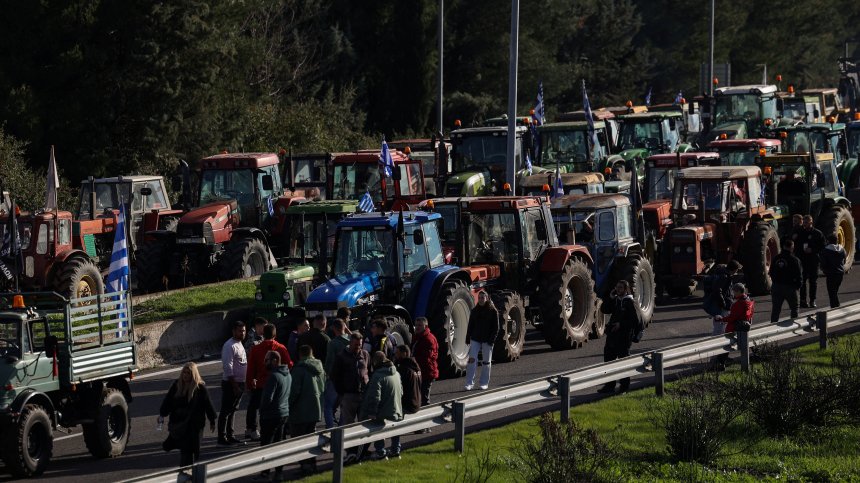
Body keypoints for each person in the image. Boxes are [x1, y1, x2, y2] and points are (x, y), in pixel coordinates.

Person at [159, 362, 216, 467]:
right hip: (180, 423)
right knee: (183, 449)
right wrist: (162, 414)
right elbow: (168, 401)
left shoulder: (200, 388)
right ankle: (186, 472)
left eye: (188, 373)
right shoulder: (177, 385)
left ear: (193, 374)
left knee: (190, 451)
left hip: (194, 426)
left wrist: (212, 421)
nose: (185, 375)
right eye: (184, 372)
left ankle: (187, 473)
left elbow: (208, 405)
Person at [245, 323, 292, 441]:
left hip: (261, 385)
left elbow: (250, 369)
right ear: (275, 334)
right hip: (279, 385)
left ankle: (254, 429)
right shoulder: (281, 348)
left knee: (258, 409)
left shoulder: (256, 349)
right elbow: (289, 364)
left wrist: (250, 384)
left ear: (262, 334)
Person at [331, 332, 370, 464]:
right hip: (348, 395)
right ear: (350, 343)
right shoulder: (341, 357)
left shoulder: (364, 354)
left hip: (362, 395)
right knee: (348, 425)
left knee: (364, 423)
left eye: (359, 345)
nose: (357, 347)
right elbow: (334, 376)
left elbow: (368, 370)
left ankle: (362, 452)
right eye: (355, 345)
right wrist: (341, 393)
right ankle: (351, 452)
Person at [597, 281, 641, 394]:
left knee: (623, 362)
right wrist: (611, 298)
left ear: (626, 289)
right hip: (612, 336)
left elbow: (636, 321)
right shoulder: (616, 300)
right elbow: (604, 310)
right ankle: (609, 386)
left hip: (624, 337)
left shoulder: (630, 302)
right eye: (617, 287)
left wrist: (621, 324)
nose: (618, 289)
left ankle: (624, 387)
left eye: (620, 287)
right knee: (608, 360)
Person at [360, 351, 404, 461]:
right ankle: (396, 449)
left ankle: (380, 451)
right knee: (395, 427)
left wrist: (372, 412)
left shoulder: (377, 376)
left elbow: (375, 396)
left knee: (377, 425)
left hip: (383, 412)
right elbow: (401, 392)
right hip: (397, 409)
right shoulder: (396, 374)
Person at [289, 345, 326, 474]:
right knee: (312, 438)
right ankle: (312, 463)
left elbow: (294, 392)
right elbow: (323, 387)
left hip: (300, 411)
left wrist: (288, 405)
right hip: (315, 409)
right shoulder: (319, 368)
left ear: (300, 355)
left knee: (298, 439)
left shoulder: (298, 370)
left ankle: (304, 465)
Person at [258, 351, 291, 480]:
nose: (265, 362)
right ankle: (279, 472)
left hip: (271, 415)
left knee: (266, 444)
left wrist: (262, 411)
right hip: (283, 413)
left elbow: (267, 398)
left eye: (267, 360)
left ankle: (265, 472)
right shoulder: (287, 374)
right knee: (279, 443)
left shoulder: (273, 376)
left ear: (275, 360)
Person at [218, 320, 247, 445]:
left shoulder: (240, 344)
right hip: (231, 384)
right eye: (240, 331)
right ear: (234, 331)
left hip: (240, 383)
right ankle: (222, 437)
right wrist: (234, 385)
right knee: (226, 411)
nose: (243, 333)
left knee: (233, 410)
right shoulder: (229, 346)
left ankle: (230, 435)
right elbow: (228, 367)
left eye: (244, 331)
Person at [714, 283, 755, 370]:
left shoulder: (739, 304)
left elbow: (732, 317)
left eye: (734, 291)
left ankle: (720, 364)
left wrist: (721, 319)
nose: (733, 293)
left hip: (735, 327)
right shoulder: (748, 300)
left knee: (727, 345)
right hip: (745, 326)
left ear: (739, 291)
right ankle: (757, 354)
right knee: (746, 341)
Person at [465, 291, 499, 391]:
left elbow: (496, 328)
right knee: (472, 360)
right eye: (479, 298)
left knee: (486, 362)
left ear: (487, 298)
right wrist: (468, 337)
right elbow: (470, 325)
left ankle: (484, 383)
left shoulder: (493, 311)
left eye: (482, 298)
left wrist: (491, 340)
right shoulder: (474, 310)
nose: (480, 299)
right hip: (475, 338)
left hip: (487, 340)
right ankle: (469, 383)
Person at [394, 346, 422, 454]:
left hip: (407, 403)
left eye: (397, 353)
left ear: (404, 353)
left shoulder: (404, 369)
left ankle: (395, 448)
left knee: (393, 419)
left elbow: (399, 389)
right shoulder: (417, 367)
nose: (396, 355)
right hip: (417, 401)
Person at [324, 318, 350, 428]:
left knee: (328, 405)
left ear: (334, 328)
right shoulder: (350, 342)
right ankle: (341, 427)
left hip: (335, 378)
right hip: (348, 378)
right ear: (344, 327)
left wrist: (327, 375)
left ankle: (330, 429)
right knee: (344, 405)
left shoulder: (332, 343)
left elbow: (329, 361)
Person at [702, 261, 742, 333]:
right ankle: (717, 342)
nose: (737, 271)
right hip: (722, 307)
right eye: (737, 269)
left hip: (721, 305)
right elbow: (717, 290)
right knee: (720, 329)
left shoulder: (723, 274)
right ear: (734, 269)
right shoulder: (724, 276)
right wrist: (723, 303)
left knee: (721, 326)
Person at [795, 215, 825, 308]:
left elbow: (823, 246)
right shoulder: (800, 233)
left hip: (813, 260)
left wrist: (813, 250)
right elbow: (795, 245)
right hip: (803, 260)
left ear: (811, 223)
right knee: (802, 281)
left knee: (813, 281)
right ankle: (803, 300)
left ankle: (812, 300)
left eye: (806, 222)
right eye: (804, 222)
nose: (804, 224)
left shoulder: (817, 233)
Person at [769, 240, 803, 322]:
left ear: (783, 247)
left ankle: (772, 326)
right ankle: (793, 325)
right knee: (794, 308)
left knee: (776, 309)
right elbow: (799, 275)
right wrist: (798, 286)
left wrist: (775, 282)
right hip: (790, 287)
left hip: (777, 286)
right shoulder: (795, 259)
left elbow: (771, 272)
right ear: (792, 247)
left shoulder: (776, 258)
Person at [411, 317, 439, 406]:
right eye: (416, 325)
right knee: (419, 395)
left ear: (425, 326)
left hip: (427, 371)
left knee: (424, 397)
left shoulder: (428, 339)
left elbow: (428, 357)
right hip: (420, 370)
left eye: (420, 325)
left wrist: (413, 360)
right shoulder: (417, 337)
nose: (417, 327)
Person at [819, 234, 847, 308]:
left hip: (831, 273)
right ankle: (836, 305)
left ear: (828, 241)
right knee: (835, 291)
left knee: (831, 292)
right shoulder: (842, 249)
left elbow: (823, 262)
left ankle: (835, 306)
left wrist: (823, 269)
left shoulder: (826, 250)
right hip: (840, 273)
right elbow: (844, 260)